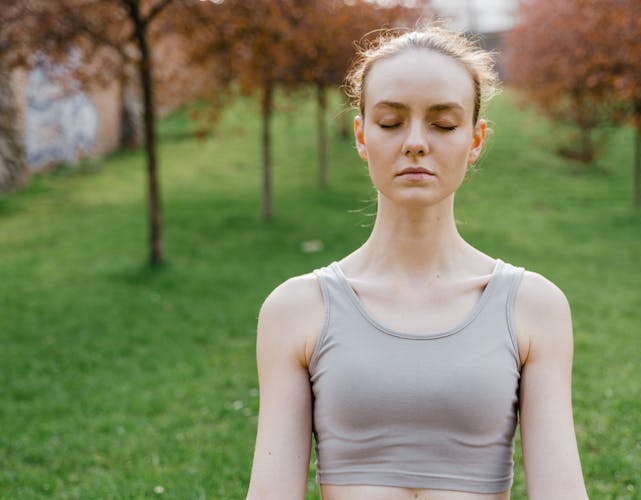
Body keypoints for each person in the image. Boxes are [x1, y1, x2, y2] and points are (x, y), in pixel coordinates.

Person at [245, 26, 588, 500]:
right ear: (361, 136)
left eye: (443, 124)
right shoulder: (296, 310)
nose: (415, 143)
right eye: (390, 122)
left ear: (476, 140)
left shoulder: (533, 308)